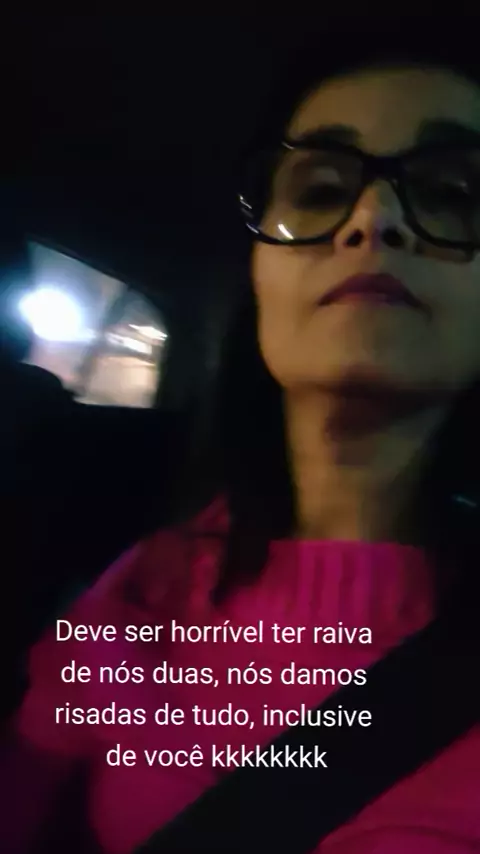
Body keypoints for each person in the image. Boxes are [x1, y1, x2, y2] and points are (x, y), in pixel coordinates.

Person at [3, 32, 480, 854]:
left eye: (453, 195)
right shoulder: (148, 585)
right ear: (258, 279)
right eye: (322, 188)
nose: (376, 218)